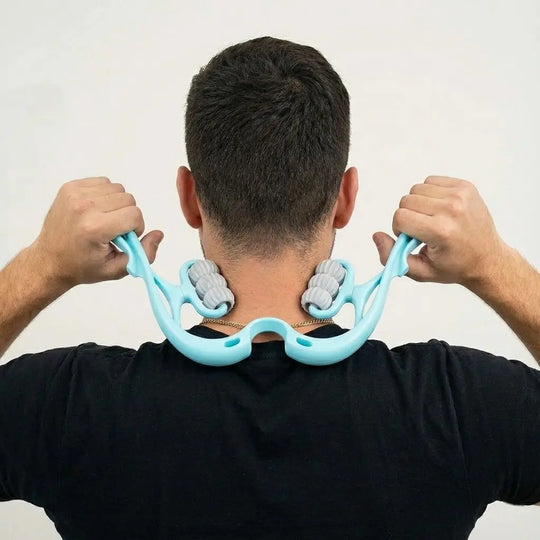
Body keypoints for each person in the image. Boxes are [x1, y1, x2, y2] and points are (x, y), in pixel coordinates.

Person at [0, 35, 538, 540]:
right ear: (346, 198)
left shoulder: (68, 407)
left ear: (188, 197)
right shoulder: (457, 406)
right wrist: (491, 265)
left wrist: (44, 266)